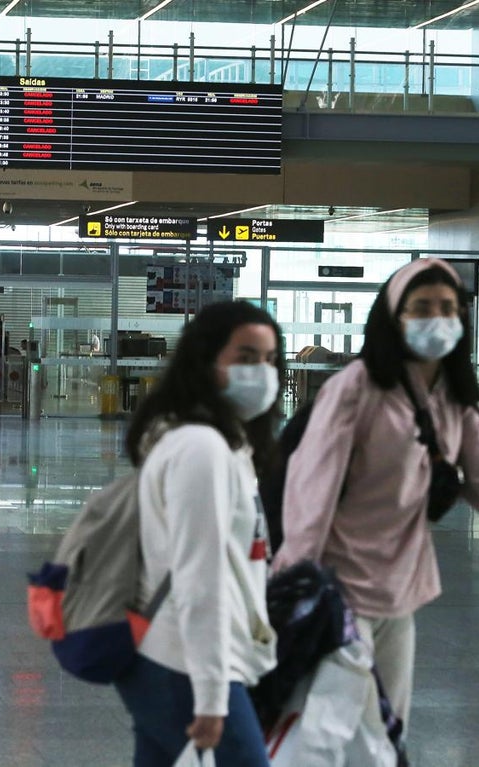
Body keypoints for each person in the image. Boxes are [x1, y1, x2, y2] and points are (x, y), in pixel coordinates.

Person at [270, 257, 479, 733]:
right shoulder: (356, 390)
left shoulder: (455, 400)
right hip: (336, 589)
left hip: (400, 591)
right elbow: (312, 493)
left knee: (386, 736)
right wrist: (293, 585)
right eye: (422, 306)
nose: (437, 317)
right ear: (395, 316)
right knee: (335, 736)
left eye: (448, 307)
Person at [118, 300, 282, 766]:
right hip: (186, 664)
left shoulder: (221, 441)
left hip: (165, 656)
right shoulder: (201, 448)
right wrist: (212, 697)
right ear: (206, 362)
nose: (262, 373)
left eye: (270, 360)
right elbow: (199, 578)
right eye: (245, 358)